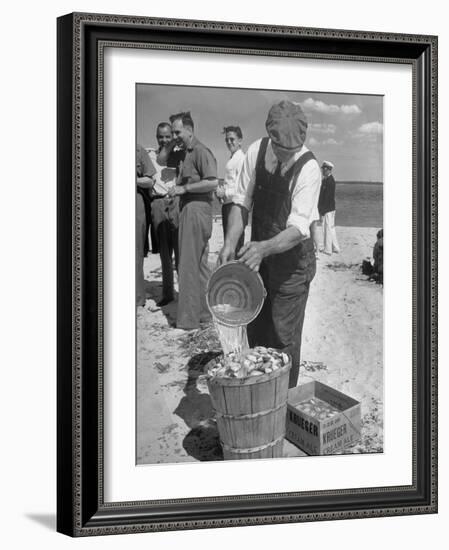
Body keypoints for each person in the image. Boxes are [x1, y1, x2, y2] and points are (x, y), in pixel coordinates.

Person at [218, 100, 321, 388]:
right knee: (257, 329)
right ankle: (259, 397)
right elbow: (241, 202)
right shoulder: (256, 150)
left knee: (283, 338)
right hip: (259, 261)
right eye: (281, 149)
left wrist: (262, 248)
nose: (286, 156)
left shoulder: (309, 168)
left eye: (292, 151)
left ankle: (282, 404)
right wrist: (230, 243)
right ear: (271, 138)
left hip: (292, 267)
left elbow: (299, 229)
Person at [168, 112, 218, 330]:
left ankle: (188, 320)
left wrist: (184, 188)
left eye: (177, 132)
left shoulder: (200, 151)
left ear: (190, 130)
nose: (174, 136)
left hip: (196, 210)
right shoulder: (184, 152)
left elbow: (213, 182)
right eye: (172, 133)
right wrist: (172, 143)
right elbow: (161, 159)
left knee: (187, 264)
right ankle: (205, 314)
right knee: (199, 266)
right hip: (195, 211)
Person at [147, 122, 185, 306]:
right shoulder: (150, 155)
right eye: (160, 136)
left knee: (180, 251)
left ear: (172, 136)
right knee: (164, 252)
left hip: (176, 202)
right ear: (156, 137)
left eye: (167, 136)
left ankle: (184, 293)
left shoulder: (179, 155)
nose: (164, 140)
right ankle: (168, 294)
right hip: (158, 204)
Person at [215, 126, 245, 253]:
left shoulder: (241, 159)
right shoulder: (233, 158)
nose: (229, 142)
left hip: (235, 206)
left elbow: (242, 188)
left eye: (232, 139)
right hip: (228, 205)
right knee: (229, 243)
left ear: (240, 141)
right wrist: (221, 195)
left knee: (234, 244)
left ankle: (236, 271)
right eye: (227, 140)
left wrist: (224, 192)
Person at [136, 144, 156, 307]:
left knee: (135, 252)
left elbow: (150, 180)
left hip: (136, 202)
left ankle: (137, 298)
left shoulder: (139, 150)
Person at [317, 160, 340, 255]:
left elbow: (327, 198)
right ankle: (335, 248)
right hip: (329, 208)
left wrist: (322, 211)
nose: (322, 171)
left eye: (324, 169)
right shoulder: (325, 180)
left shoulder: (330, 181)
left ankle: (328, 249)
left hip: (328, 209)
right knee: (331, 228)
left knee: (327, 228)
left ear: (328, 170)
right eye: (323, 169)